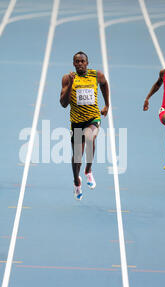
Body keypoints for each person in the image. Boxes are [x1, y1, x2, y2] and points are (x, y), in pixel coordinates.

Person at [60, 51, 109, 200]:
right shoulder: (67, 78)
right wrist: (70, 84)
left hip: (93, 118)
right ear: (73, 64)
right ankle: (76, 182)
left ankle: (88, 170)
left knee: (89, 136)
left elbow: (105, 84)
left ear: (87, 63)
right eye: (77, 61)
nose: (80, 64)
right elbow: (63, 104)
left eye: (82, 61)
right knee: (77, 157)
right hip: (76, 122)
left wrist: (107, 104)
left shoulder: (96, 75)